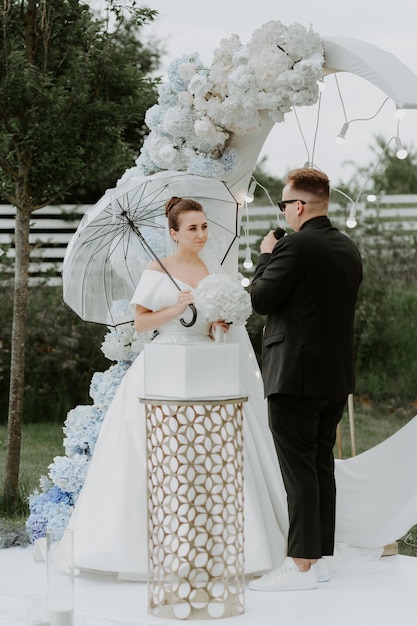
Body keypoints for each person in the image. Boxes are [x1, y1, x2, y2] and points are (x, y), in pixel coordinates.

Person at [53, 191, 417, 586]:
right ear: (174, 232)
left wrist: (217, 325)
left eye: (205, 226)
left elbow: (218, 318)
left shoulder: (213, 271)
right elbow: (141, 323)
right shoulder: (157, 270)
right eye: (193, 228)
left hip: (209, 369)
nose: (201, 234)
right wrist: (177, 307)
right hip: (166, 368)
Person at [249, 167, 363, 591]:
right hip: (333, 376)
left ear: (298, 206)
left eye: (283, 204)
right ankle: (320, 559)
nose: (283, 211)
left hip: (295, 374)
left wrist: (265, 255)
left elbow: (261, 299)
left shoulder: (294, 247)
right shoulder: (347, 248)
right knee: (319, 466)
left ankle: (300, 565)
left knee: (298, 470)